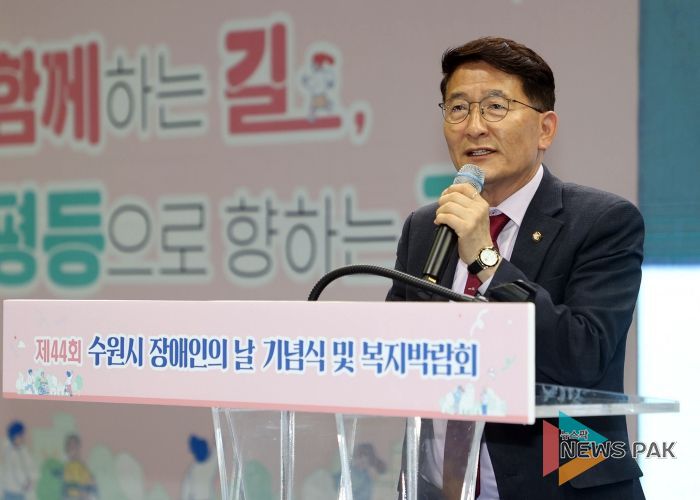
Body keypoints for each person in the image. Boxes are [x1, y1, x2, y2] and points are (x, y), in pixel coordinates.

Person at [386, 37, 644, 499]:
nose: (474, 127)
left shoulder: (602, 222)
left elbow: (584, 357)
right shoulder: (426, 227)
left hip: (563, 486)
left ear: (545, 129)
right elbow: (394, 356)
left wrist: (486, 260)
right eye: (458, 109)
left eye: (495, 107)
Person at [2, 421, 36, 500]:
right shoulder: (8, 450)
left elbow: (30, 468)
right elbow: (13, 471)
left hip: (21, 493)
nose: (23, 438)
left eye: (23, 435)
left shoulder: (24, 451)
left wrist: (30, 482)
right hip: (10, 491)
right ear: (13, 436)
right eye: (20, 435)